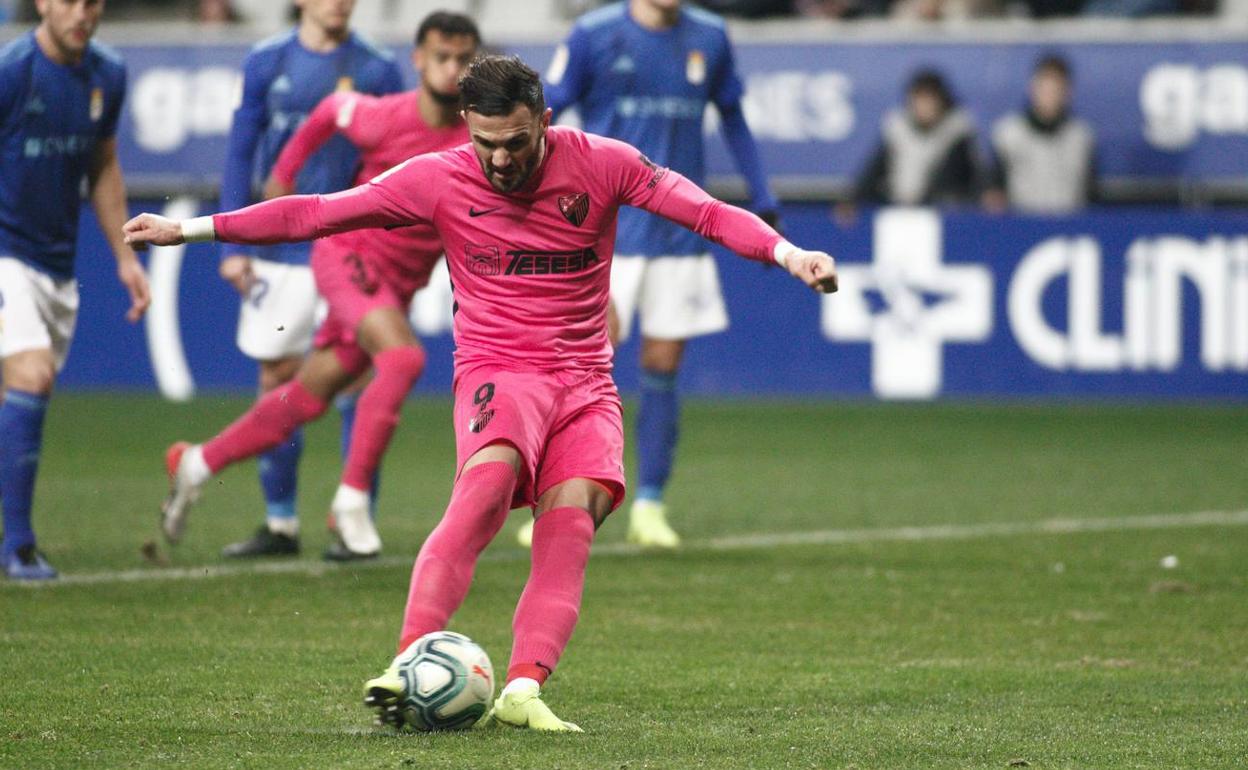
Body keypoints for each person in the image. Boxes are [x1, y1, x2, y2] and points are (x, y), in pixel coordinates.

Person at [123, 55, 836, 731]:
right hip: (500, 371)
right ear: (467, 124)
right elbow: (318, 212)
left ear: (545, 120)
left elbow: (706, 212)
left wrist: (789, 253)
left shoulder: (606, 163)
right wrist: (188, 229)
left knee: (572, 526)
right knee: (485, 493)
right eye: (486, 141)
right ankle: (409, 662)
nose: (500, 158)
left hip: (586, 381)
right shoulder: (438, 176)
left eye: (516, 142)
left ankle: (525, 688)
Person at [159, 11, 479, 561]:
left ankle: (198, 463)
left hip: (396, 284)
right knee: (402, 360)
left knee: (307, 396)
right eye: (441, 57)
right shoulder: (385, 116)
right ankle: (350, 504)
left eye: (463, 59)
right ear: (419, 60)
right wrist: (285, 172)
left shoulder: (479, 138)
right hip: (348, 257)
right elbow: (332, 108)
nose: (452, 70)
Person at [537, 0, 782, 549]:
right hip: (603, 231)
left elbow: (734, 116)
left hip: (678, 232)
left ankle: (649, 502)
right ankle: (554, 497)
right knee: (582, 364)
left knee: (661, 366)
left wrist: (761, 193)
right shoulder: (593, 35)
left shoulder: (711, 36)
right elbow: (545, 111)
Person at [216, 0, 403, 558]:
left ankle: (354, 522)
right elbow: (240, 148)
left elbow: (393, 161)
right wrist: (231, 241)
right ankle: (279, 524)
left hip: (350, 245)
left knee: (353, 379)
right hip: (279, 247)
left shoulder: (377, 67)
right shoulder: (265, 61)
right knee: (277, 375)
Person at [0, 0, 150, 580]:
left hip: (57, 268)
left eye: (93, 2)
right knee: (31, 375)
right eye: (69, 0)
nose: (82, 12)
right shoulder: (14, 72)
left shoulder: (107, 74)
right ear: (41, 3)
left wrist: (124, 257)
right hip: (7, 255)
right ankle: (19, 546)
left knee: (21, 397)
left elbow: (103, 164)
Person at [842, 68, 980, 216]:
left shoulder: (957, 130)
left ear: (941, 101)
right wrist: (854, 200)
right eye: (919, 99)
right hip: (897, 207)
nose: (924, 107)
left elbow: (964, 176)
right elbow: (874, 170)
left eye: (929, 100)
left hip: (940, 211)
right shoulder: (897, 127)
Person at [982, 54, 1096, 215]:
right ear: (1033, 88)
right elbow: (994, 191)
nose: (1050, 96)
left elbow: (1089, 192)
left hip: (1067, 229)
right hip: (1021, 227)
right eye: (1045, 89)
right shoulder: (1008, 134)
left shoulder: (1081, 137)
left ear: (1068, 92)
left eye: (1057, 90)